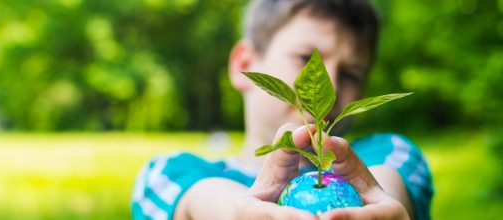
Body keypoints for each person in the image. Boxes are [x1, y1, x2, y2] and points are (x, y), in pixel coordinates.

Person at [131, 0, 433, 219]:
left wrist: (377, 199)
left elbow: (386, 185)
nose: (332, 85)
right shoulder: (169, 173)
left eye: (351, 74)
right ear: (245, 64)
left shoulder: (389, 152)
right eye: (306, 58)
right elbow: (198, 198)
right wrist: (234, 213)